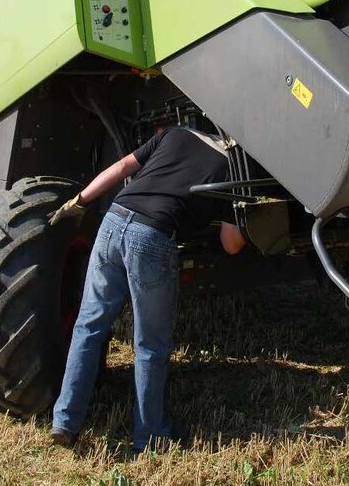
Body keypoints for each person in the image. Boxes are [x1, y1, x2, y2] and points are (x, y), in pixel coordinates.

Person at [46, 125, 246, 452]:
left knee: (88, 326)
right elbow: (231, 244)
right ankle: (149, 434)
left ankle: (65, 421)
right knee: (150, 345)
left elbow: (122, 167)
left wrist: (81, 199)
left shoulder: (175, 134)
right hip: (152, 237)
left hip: (114, 220)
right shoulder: (231, 170)